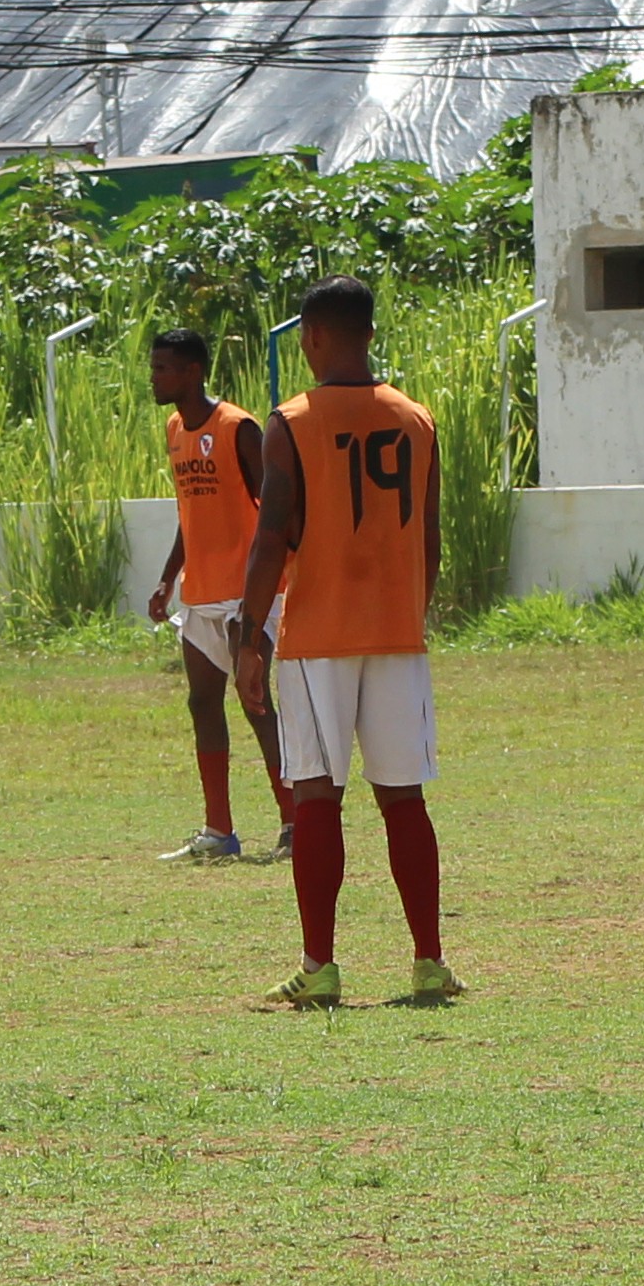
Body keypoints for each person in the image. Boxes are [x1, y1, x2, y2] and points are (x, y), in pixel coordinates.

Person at [236, 277, 459, 1006]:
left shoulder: (291, 421)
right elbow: (429, 541)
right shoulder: (417, 419)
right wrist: (408, 615)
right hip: (396, 635)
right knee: (404, 800)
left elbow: (271, 538)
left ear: (313, 336)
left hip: (319, 638)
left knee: (316, 800)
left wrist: (248, 634)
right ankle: (428, 960)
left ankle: (320, 966)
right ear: (368, 331)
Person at [141, 329, 289, 861]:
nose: (154, 377)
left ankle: (294, 824)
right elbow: (190, 513)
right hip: (200, 594)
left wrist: (268, 586)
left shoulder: (238, 428)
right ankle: (219, 832)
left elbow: (275, 509)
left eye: (163, 368)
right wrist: (167, 578)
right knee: (203, 702)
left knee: (256, 704)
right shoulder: (175, 427)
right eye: (153, 367)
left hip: (246, 594)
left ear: (194, 371)